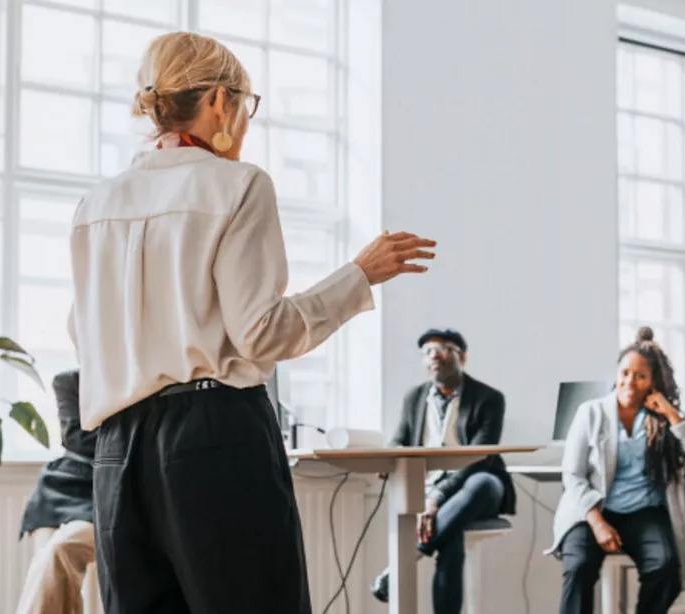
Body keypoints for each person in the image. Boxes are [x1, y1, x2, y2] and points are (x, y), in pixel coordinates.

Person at [69, 32, 434, 613]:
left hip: (116, 448)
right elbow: (262, 331)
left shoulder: (96, 204)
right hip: (211, 436)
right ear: (218, 100)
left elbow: (83, 336)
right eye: (245, 104)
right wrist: (358, 276)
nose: (244, 121)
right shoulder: (239, 185)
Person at [547, 328, 685, 614]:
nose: (630, 383)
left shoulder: (662, 419)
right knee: (579, 567)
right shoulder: (591, 412)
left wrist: (673, 415)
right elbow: (572, 475)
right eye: (624, 373)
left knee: (666, 567)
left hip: (644, 512)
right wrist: (597, 523)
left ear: (654, 382)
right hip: (591, 510)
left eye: (640, 376)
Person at [370, 328, 515, 613]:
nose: (435, 355)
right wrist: (388, 459)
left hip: (476, 489)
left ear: (463, 356)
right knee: (451, 539)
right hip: (428, 494)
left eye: (443, 349)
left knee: (483, 481)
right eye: (427, 352)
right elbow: (400, 438)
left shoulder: (489, 399)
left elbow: (479, 458)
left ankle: (402, 563)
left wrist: (435, 498)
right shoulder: (414, 398)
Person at [15, 370, 101, 614]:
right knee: (47, 566)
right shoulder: (68, 380)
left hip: (104, 489)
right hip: (60, 487)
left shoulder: (132, 378)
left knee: (57, 554)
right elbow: (75, 438)